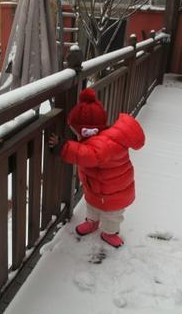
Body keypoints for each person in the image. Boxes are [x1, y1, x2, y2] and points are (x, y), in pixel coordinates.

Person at [48, 88, 145, 248]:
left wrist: (63, 147)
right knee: (92, 206)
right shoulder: (98, 138)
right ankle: (92, 222)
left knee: (111, 215)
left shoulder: (104, 145)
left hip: (113, 192)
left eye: (76, 132)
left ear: (86, 131)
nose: (76, 136)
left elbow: (88, 155)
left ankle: (109, 232)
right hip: (97, 188)